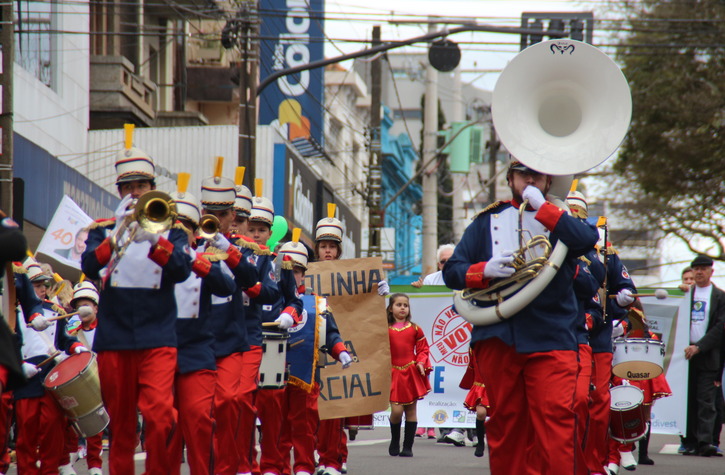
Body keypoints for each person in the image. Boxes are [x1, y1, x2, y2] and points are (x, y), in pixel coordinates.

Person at [443, 160, 599, 475]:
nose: (529, 179)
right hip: (498, 336)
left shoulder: (562, 219)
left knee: (555, 423)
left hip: (552, 335)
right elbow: (453, 272)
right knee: (506, 425)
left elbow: (586, 240)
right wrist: (484, 270)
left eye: (537, 174)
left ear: (548, 181)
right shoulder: (486, 221)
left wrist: (544, 209)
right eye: (522, 174)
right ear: (510, 178)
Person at [81, 138, 192, 473]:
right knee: (121, 427)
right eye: (127, 187)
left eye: (141, 186)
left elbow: (181, 270)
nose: (134, 193)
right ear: (118, 191)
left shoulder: (173, 230)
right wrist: (117, 234)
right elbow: (89, 265)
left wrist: (156, 239)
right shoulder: (102, 229)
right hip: (115, 338)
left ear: (152, 189)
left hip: (157, 336)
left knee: (159, 416)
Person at [314, 204, 388, 475]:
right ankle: (321, 454)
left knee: (338, 408)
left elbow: (364, 308)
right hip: (312, 349)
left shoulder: (351, 273)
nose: (328, 251)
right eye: (323, 246)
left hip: (342, 347)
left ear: (339, 249)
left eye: (332, 247)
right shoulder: (306, 273)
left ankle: (336, 457)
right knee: (315, 409)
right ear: (317, 249)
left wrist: (379, 293)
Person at [277, 233, 353, 475]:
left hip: (306, 376)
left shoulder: (317, 303)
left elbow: (331, 333)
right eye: (287, 271)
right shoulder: (269, 299)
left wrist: (340, 351)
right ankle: (277, 468)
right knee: (276, 426)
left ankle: (303, 467)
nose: (292, 276)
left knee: (304, 425)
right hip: (272, 376)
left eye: (296, 271)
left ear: (303, 273)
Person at [15, 257, 87, 474]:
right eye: (36, 285)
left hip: (50, 375)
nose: (42, 289)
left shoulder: (55, 310)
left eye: (44, 285)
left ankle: (51, 471)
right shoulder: (10, 310)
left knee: (53, 428)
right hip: (24, 377)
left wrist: (76, 347)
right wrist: (18, 364)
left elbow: (65, 339)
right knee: (26, 433)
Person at [682, 254, 725, 456]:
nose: (699, 272)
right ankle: (689, 441)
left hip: (707, 355)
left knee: (706, 401)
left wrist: (699, 346)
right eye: (696, 268)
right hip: (685, 355)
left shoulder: (720, 297)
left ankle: (705, 441)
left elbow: (720, 328)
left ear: (711, 271)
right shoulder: (685, 294)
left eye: (703, 269)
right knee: (688, 399)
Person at [411, 244, 454, 440]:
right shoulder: (430, 280)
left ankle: (452, 427)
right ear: (438, 264)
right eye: (443, 261)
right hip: (433, 337)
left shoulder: (466, 280)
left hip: (456, 341)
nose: (447, 264)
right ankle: (424, 422)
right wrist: (416, 291)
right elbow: (422, 305)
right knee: (426, 378)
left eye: (451, 260)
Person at [64, 282, 104, 475]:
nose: (82, 309)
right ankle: (71, 456)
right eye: (79, 306)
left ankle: (95, 465)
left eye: (86, 304)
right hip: (77, 382)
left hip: (101, 380)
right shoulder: (70, 329)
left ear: (96, 307)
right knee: (72, 422)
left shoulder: (106, 327)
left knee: (96, 424)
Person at [386, 292, 431, 458]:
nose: (402, 308)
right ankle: (394, 440)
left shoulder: (415, 329)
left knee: (411, 410)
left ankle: (408, 447)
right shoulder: (384, 329)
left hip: (411, 372)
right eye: (398, 305)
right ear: (390, 308)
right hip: (393, 373)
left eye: (405, 305)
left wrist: (421, 362)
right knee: (397, 411)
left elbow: (423, 349)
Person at [458, 350, 489, 457]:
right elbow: (471, 366)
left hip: (498, 385)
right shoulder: (475, 348)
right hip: (481, 384)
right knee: (481, 413)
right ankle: (480, 443)